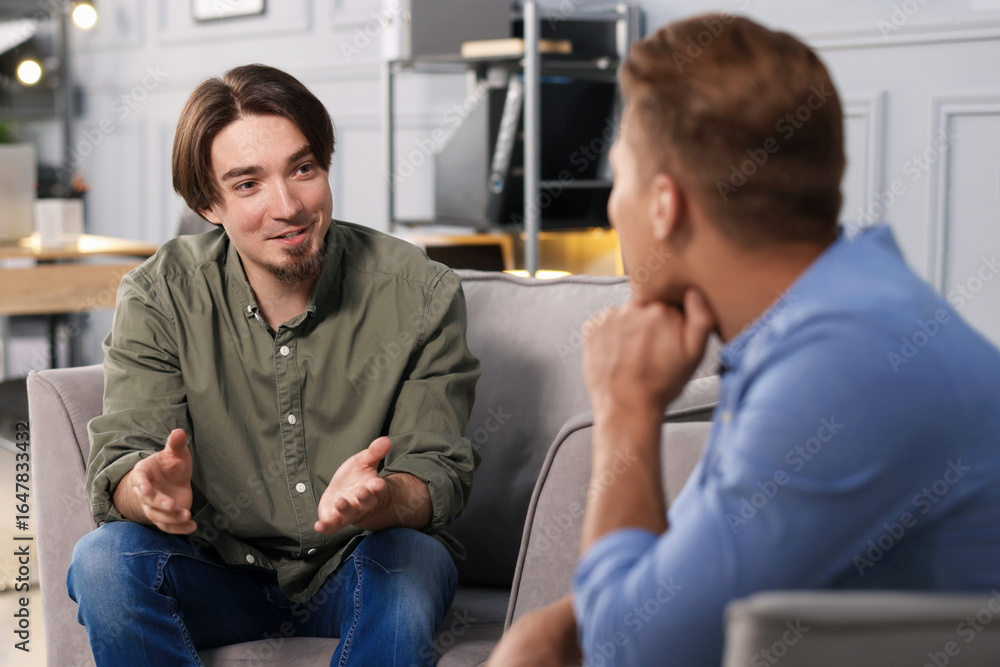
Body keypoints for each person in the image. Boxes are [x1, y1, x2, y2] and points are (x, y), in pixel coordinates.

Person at [488, 13, 1000, 667]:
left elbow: (633, 651)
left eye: (620, 178)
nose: (614, 208)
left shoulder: (840, 365)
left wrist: (625, 410)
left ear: (664, 205)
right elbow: (672, 599)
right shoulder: (831, 316)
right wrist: (563, 625)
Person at [69, 64, 481, 666]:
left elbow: (438, 469)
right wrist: (146, 490)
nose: (287, 206)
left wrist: (384, 498)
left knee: (414, 558)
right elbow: (126, 456)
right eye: (247, 184)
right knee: (102, 560)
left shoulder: (421, 292)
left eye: (303, 169)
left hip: (362, 565)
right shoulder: (160, 295)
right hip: (216, 571)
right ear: (208, 202)